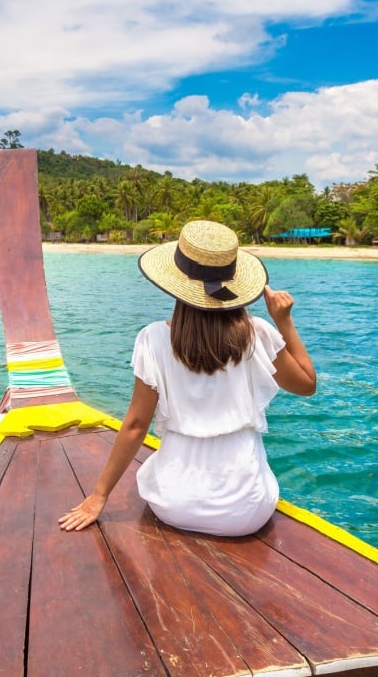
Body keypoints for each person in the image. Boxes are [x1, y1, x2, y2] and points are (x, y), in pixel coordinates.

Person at [59, 219, 315, 536]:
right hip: (247, 511)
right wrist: (284, 321)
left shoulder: (152, 339)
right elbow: (307, 385)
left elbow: (136, 426)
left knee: (155, 469)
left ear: (176, 281)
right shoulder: (257, 334)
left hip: (175, 504)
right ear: (235, 282)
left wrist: (98, 497)